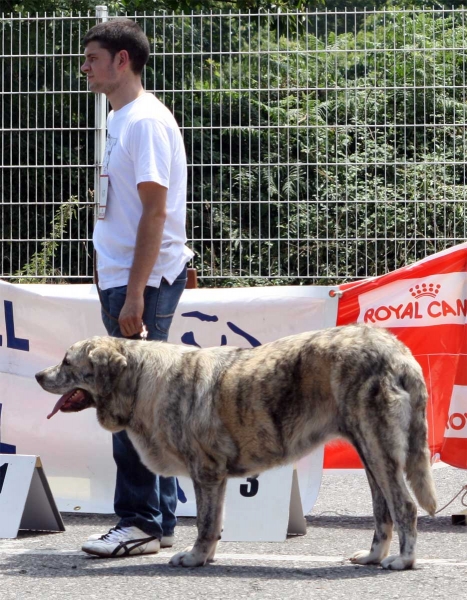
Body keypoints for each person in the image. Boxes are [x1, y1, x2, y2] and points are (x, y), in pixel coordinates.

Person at [80, 18, 193, 558]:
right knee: (148, 402)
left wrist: (135, 293)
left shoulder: (144, 120)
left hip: (136, 281)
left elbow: (155, 210)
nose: (85, 68)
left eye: (93, 58)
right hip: (127, 276)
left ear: (122, 61)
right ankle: (159, 520)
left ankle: (140, 520)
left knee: (127, 402)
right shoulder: (122, 116)